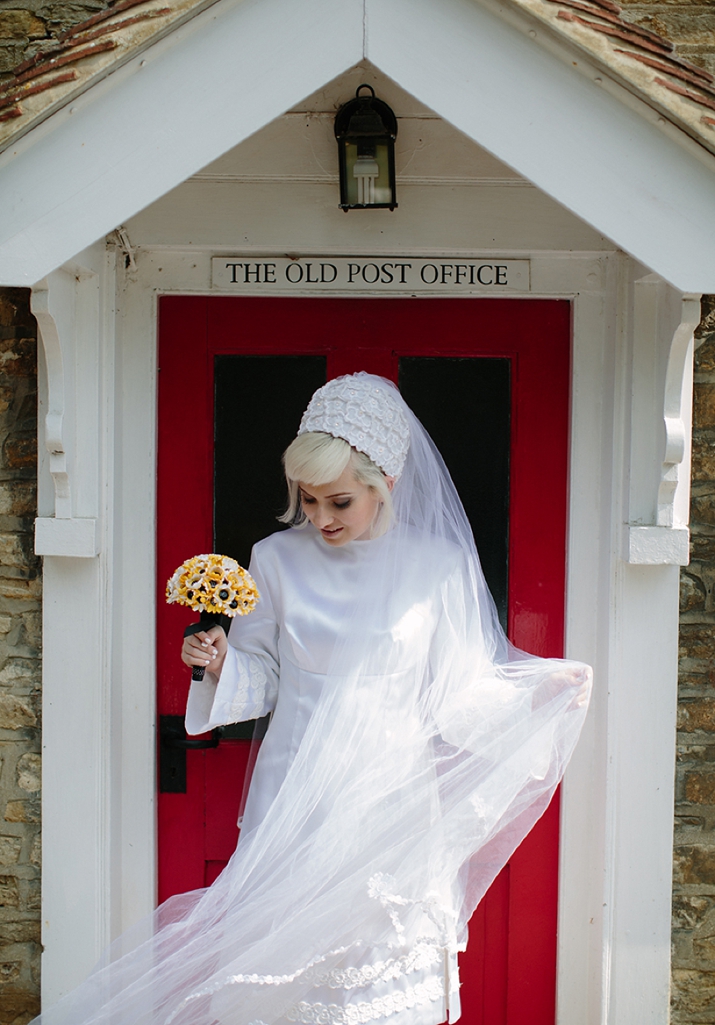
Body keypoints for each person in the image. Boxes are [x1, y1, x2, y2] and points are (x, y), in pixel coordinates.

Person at [35, 372, 590, 1025]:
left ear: (385, 482)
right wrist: (219, 663)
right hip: (293, 797)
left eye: (340, 500)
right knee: (280, 988)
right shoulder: (274, 558)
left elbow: (458, 694)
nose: (320, 517)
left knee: (371, 988)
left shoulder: (437, 567)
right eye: (308, 499)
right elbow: (264, 672)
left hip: (388, 807)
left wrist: (535, 695)